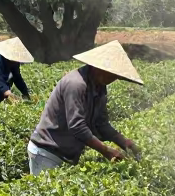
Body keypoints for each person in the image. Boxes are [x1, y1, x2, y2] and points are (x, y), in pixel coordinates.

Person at [27, 40, 142, 175]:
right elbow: (77, 126)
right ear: (98, 67)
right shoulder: (76, 84)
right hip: (46, 152)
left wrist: (123, 141)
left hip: (66, 153)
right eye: (111, 73)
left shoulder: (99, 87)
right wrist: (106, 150)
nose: (113, 78)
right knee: (45, 194)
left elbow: (101, 123)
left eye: (116, 75)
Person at [0, 37, 33, 104]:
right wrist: (11, 96)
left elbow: (18, 79)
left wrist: (26, 94)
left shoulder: (14, 62)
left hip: (0, 93)